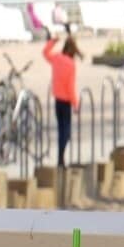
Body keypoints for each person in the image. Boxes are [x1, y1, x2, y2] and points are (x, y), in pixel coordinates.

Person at [44, 27, 81, 167]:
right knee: (66, 131)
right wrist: (76, 104)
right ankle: (61, 157)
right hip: (66, 101)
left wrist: (53, 41)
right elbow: (70, 87)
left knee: (61, 129)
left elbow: (45, 53)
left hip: (57, 99)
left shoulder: (57, 58)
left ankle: (61, 157)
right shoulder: (71, 65)